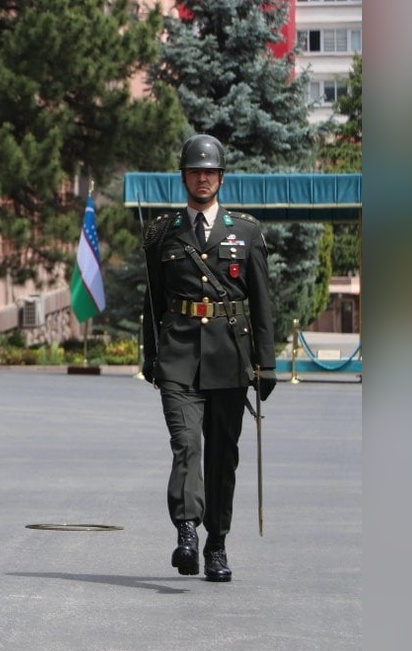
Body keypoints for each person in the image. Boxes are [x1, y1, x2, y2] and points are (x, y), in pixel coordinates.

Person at [141, 134, 277, 582]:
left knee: (223, 455)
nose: (203, 178)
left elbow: (261, 302)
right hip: (178, 355)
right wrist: (151, 356)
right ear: (183, 177)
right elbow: (154, 302)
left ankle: (216, 544)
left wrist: (267, 362)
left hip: (230, 358)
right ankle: (186, 531)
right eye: (195, 171)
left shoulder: (246, 232)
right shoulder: (163, 234)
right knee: (187, 445)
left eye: (210, 171)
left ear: (220, 177)